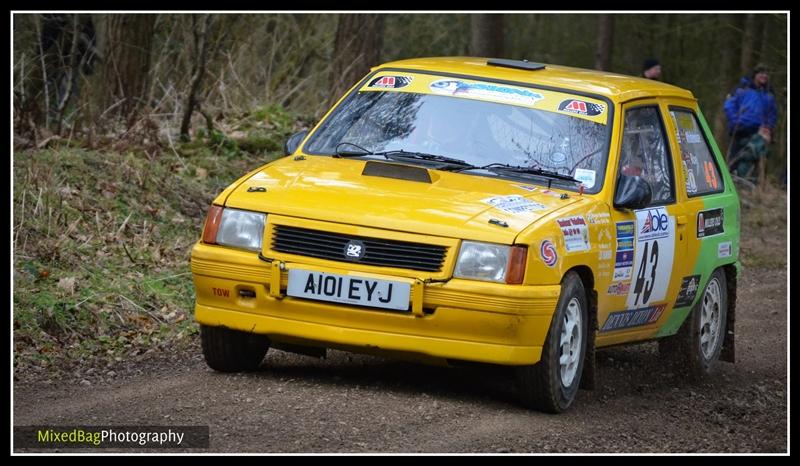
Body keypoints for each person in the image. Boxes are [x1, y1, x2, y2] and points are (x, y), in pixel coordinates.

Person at [723, 63, 778, 180]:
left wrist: (769, 128)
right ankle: (731, 182)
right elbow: (729, 105)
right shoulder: (742, 88)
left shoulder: (769, 94)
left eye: (766, 74)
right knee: (735, 158)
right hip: (740, 129)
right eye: (761, 73)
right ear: (755, 75)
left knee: (755, 159)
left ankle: (751, 185)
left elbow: (772, 113)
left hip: (758, 132)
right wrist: (735, 121)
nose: (764, 76)